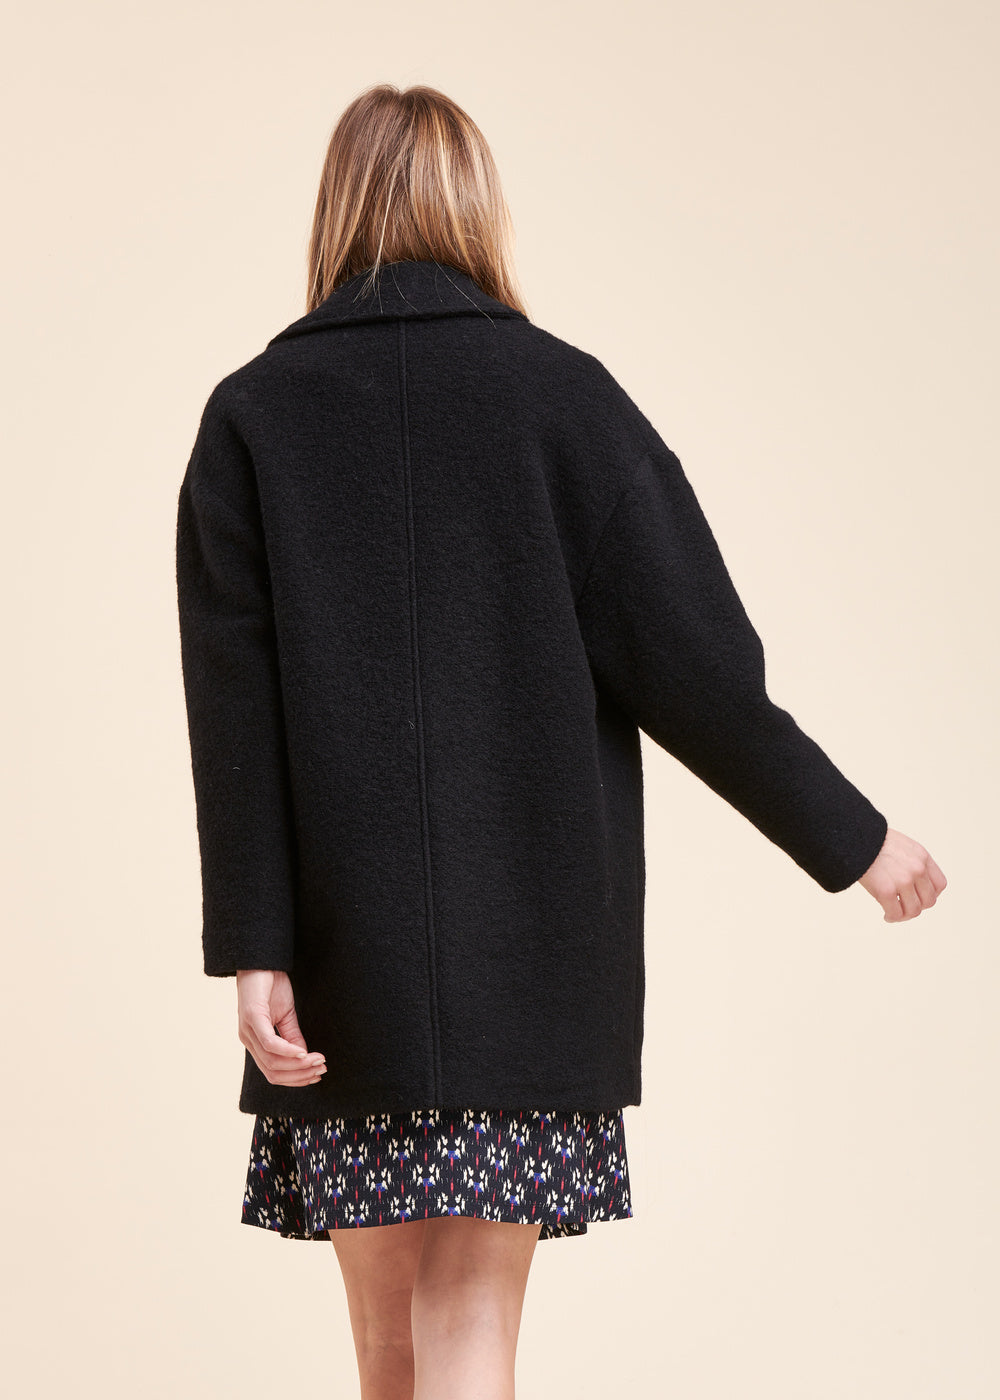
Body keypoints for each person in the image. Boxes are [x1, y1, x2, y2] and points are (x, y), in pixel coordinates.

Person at [174, 82, 947, 1400]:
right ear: (478, 206)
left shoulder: (253, 415)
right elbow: (697, 669)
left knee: (385, 1343)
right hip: (529, 958)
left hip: (344, 963)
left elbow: (232, 711)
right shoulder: (564, 399)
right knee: (473, 1322)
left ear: (336, 209)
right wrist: (856, 838)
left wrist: (256, 948)